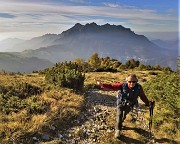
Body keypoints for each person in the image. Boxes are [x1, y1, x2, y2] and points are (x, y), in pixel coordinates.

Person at [96, 74, 150, 138]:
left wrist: (148, 103)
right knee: (119, 114)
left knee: (124, 115)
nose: (131, 83)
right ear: (126, 81)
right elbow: (112, 86)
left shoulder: (139, 88)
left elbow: (142, 96)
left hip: (130, 104)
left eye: (134, 82)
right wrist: (102, 85)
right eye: (129, 81)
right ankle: (118, 130)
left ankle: (121, 122)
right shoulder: (123, 85)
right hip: (121, 102)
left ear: (136, 81)